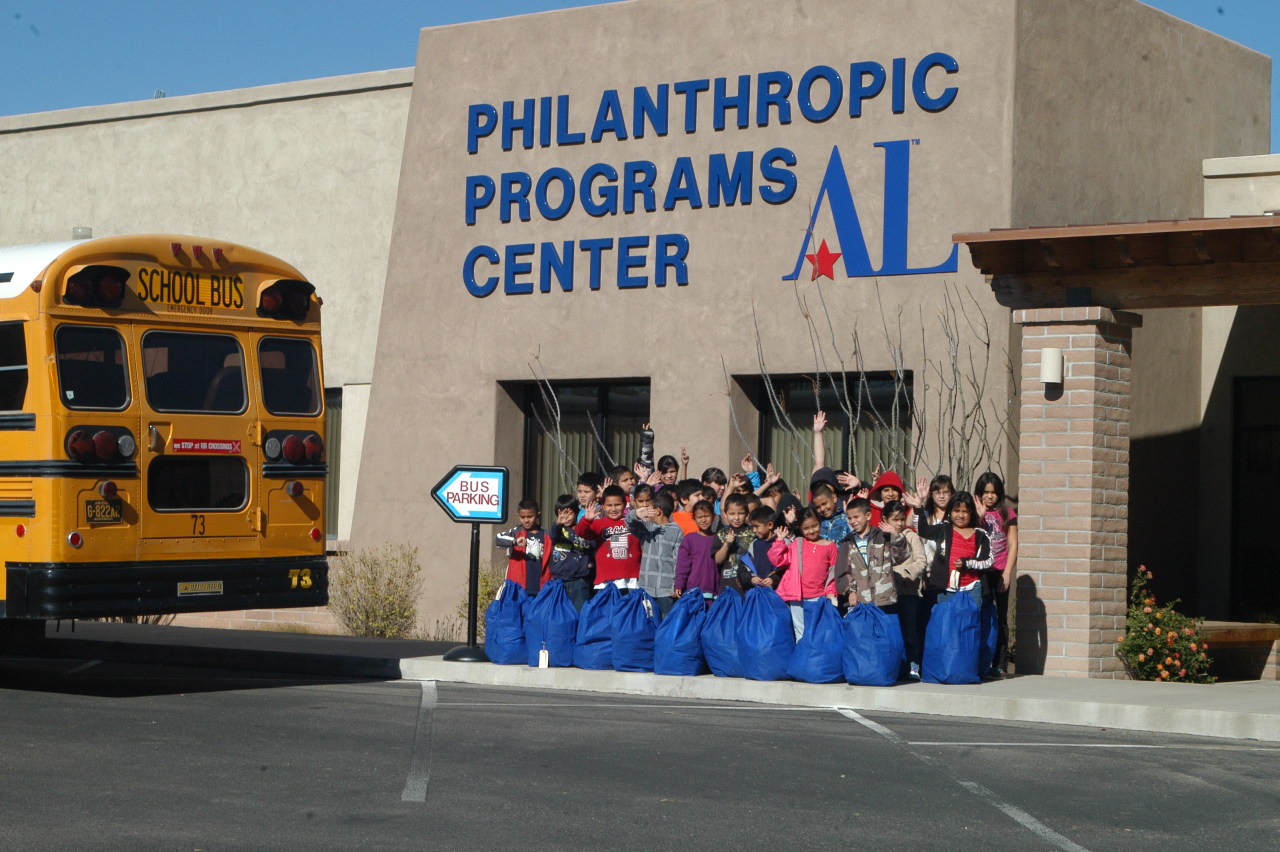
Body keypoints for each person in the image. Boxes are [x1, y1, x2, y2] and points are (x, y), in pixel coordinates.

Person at [768, 507, 839, 640]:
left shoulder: (831, 546)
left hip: (820, 597)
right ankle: (802, 658)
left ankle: (815, 660)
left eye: (814, 526)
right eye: (806, 528)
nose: (811, 531)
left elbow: (834, 573)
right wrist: (779, 541)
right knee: (800, 633)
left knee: (818, 632)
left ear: (820, 522)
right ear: (800, 528)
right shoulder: (797, 543)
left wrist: (831, 592)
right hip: (797, 597)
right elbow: (778, 560)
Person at [917, 491, 994, 611]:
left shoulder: (981, 535)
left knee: (970, 625)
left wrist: (966, 563)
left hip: (972, 588)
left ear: (971, 513)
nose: (961, 515)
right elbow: (923, 531)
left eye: (965, 511)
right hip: (946, 589)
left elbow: (988, 561)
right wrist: (918, 507)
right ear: (950, 512)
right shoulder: (943, 529)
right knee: (947, 626)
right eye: (956, 511)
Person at [974, 472, 1017, 679]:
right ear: (979, 494)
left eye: (994, 492)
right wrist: (979, 516)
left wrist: (1007, 573)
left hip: (1000, 571)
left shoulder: (1007, 513)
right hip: (980, 571)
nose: (990, 496)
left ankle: (1000, 664)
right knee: (981, 616)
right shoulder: (973, 512)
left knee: (1000, 619)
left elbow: (1013, 544)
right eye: (985, 492)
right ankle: (979, 660)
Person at [881, 499, 928, 680]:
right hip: (886, 593)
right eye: (895, 519)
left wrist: (910, 573)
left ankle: (913, 665)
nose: (900, 523)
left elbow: (921, 560)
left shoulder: (910, 536)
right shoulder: (879, 536)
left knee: (910, 630)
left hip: (908, 592)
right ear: (885, 519)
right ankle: (895, 665)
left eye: (902, 519)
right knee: (892, 630)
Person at [576, 484, 642, 592]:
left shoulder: (633, 523)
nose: (613, 509)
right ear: (603, 506)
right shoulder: (599, 524)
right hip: (605, 582)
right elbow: (581, 533)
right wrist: (586, 520)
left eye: (617, 504)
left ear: (625, 504)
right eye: (609, 505)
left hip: (631, 581)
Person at [629, 488, 683, 617]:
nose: (646, 510)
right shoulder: (647, 527)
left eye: (649, 508)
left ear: (658, 511)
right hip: (646, 587)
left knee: (666, 622)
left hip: (666, 590)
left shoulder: (677, 531)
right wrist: (636, 514)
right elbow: (629, 524)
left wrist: (675, 586)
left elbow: (678, 560)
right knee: (647, 622)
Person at [494, 498, 552, 596]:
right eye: (522, 517)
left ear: (538, 515)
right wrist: (515, 541)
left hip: (542, 588)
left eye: (530, 516)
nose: (526, 520)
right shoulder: (516, 532)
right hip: (519, 588)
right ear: (518, 516)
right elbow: (498, 538)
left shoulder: (547, 535)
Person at [547, 494, 595, 610]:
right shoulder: (558, 530)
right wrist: (558, 523)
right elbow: (553, 535)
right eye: (562, 513)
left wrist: (592, 564)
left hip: (579, 580)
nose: (566, 517)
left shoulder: (582, 530)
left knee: (580, 612)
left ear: (577, 513)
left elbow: (594, 547)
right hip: (559, 580)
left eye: (569, 513)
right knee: (559, 613)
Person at [674, 499, 720, 600]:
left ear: (714, 517)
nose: (703, 520)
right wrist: (679, 584)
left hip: (714, 591)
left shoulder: (719, 539)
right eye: (699, 517)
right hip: (693, 591)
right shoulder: (689, 539)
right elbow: (683, 564)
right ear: (694, 519)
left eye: (707, 516)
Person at [714, 493, 756, 597]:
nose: (736, 518)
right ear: (725, 514)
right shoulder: (721, 533)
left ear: (747, 514)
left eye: (740, 513)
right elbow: (718, 560)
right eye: (732, 514)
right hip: (728, 586)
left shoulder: (754, 532)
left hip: (750, 585)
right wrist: (727, 544)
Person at [744, 505, 778, 587]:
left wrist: (774, 579)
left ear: (770, 525)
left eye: (757, 526)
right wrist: (751, 578)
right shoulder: (754, 544)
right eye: (753, 526)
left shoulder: (782, 543)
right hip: (757, 592)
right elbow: (744, 567)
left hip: (777, 594)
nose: (754, 530)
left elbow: (787, 569)